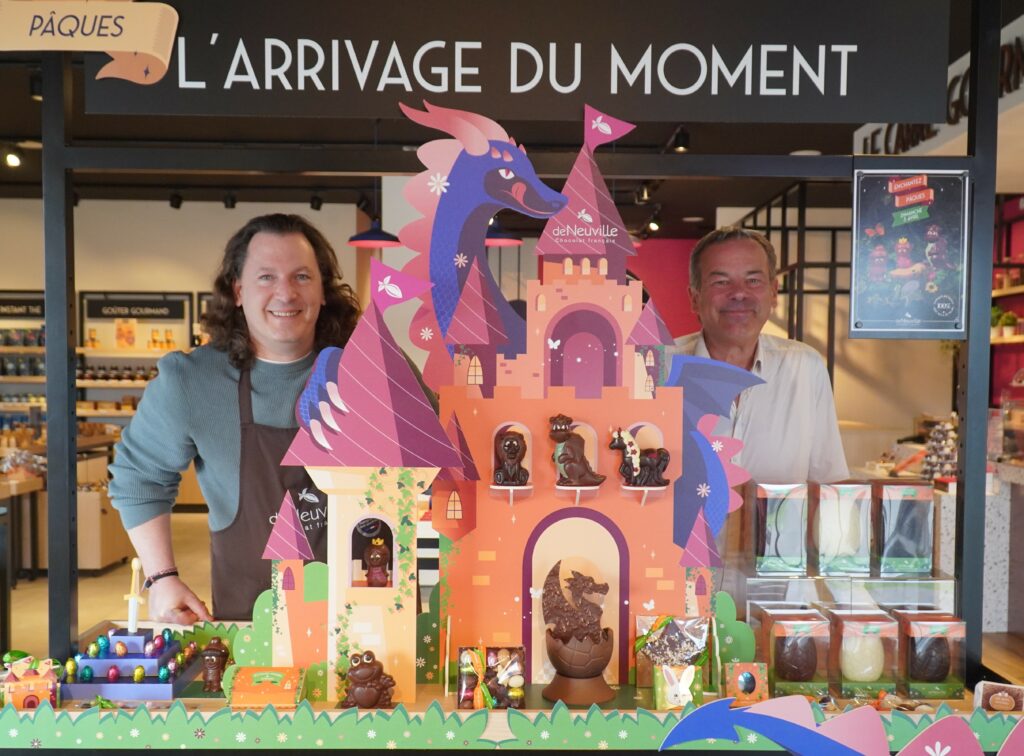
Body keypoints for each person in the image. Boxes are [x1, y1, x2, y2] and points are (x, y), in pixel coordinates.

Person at [109, 213, 362, 623]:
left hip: (369, 616)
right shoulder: (191, 381)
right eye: (266, 277)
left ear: (322, 290)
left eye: (302, 277)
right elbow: (139, 477)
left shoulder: (372, 370)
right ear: (239, 291)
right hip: (249, 623)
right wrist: (161, 578)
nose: (286, 293)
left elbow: (440, 461)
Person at [669, 226, 848, 483]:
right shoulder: (653, 369)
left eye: (753, 280)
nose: (739, 293)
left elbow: (828, 484)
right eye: (721, 282)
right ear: (694, 298)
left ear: (773, 292)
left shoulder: (805, 367)